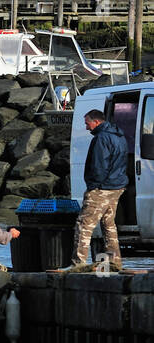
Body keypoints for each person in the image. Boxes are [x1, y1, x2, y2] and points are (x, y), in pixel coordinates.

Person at [73, 109, 127, 269]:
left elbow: (98, 166)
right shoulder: (119, 136)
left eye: (87, 123)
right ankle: (114, 262)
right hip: (117, 187)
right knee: (109, 224)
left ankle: (78, 264)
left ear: (96, 121)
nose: (86, 127)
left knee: (83, 225)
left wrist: (92, 187)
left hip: (101, 188)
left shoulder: (101, 138)